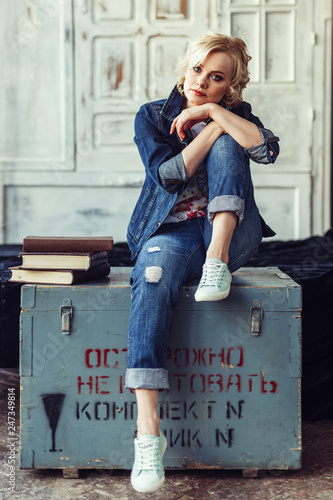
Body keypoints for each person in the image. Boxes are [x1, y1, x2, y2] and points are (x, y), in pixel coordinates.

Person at [125, 32, 279, 493]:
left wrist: (215, 114)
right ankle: (149, 435)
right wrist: (215, 124)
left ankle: (217, 260)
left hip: (227, 237)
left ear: (229, 86)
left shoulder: (235, 113)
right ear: (185, 67)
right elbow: (169, 176)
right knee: (151, 278)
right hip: (170, 233)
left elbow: (266, 150)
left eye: (217, 79)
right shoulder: (153, 116)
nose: (203, 82)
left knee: (234, 140)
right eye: (197, 70)